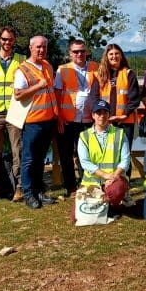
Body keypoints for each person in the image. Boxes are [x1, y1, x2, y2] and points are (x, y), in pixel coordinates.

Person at [89, 43, 140, 207]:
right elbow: (94, 97)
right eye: (110, 54)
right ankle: (103, 191)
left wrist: (123, 114)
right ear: (106, 56)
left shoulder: (129, 74)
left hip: (125, 122)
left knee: (124, 158)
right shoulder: (99, 75)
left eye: (116, 54)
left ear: (121, 56)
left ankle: (125, 192)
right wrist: (101, 116)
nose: (113, 57)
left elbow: (134, 98)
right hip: (105, 123)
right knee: (104, 156)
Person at [14, 35, 59, 209]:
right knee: (29, 159)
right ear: (30, 48)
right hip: (32, 121)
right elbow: (18, 94)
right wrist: (37, 87)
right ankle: (28, 194)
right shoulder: (23, 70)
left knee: (40, 159)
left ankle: (39, 191)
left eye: (44, 47)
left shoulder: (47, 66)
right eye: (38, 47)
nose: (41, 50)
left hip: (48, 120)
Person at [0, 26, 26, 201]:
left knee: (18, 151)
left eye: (11, 40)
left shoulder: (21, 60)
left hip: (15, 111)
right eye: (4, 39)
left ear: (14, 41)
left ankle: (20, 188)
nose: (7, 42)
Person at [54, 39, 97, 197]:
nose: (79, 54)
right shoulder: (62, 70)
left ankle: (87, 185)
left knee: (86, 155)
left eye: (82, 51)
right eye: (76, 51)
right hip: (67, 120)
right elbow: (57, 95)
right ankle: (71, 187)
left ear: (86, 52)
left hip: (89, 120)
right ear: (70, 53)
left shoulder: (95, 67)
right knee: (66, 155)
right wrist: (58, 117)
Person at [77, 100, 130, 210]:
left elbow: (125, 160)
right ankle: (104, 204)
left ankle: (110, 204)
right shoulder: (84, 136)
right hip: (92, 182)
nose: (102, 116)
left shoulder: (119, 133)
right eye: (98, 113)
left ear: (109, 115)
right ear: (93, 115)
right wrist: (105, 175)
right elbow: (84, 162)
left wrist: (113, 176)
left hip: (114, 179)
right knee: (75, 216)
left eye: (105, 113)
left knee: (117, 190)